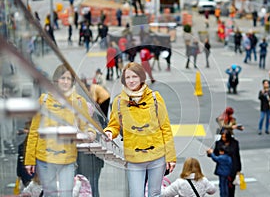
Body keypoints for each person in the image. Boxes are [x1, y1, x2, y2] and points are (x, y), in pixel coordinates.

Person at [104, 62, 176, 197]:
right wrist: (109, 132)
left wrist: (171, 157)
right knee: (136, 194)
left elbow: (165, 127)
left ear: (141, 78)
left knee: (155, 194)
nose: (131, 81)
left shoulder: (155, 98)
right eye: (128, 77)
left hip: (157, 155)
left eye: (134, 77)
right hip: (134, 158)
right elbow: (114, 125)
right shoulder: (119, 102)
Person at [24, 64, 96, 197]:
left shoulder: (79, 102)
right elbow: (34, 132)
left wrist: (91, 134)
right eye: (63, 78)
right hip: (44, 157)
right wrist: (29, 160)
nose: (66, 82)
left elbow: (88, 126)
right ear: (56, 80)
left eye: (69, 79)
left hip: (67, 158)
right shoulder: (44, 100)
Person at [213, 129, 241, 197]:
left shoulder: (234, 143)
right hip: (222, 169)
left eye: (225, 137)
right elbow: (215, 153)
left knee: (231, 187)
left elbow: (237, 156)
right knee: (222, 187)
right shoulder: (219, 143)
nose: (223, 138)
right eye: (222, 136)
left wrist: (238, 169)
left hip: (232, 169)